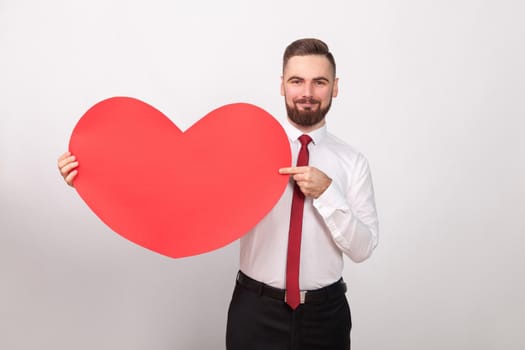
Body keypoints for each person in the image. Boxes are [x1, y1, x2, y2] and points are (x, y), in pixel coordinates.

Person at [57, 38, 379, 350]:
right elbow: (178, 189)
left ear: (335, 87)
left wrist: (327, 193)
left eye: (319, 82)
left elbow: (362, 248)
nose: (307, 93)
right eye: (297, 81)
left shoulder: (352, 163)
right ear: (282, 85)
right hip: (255, 311)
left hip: (326, 315)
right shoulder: (247, 148)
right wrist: (95, 176)